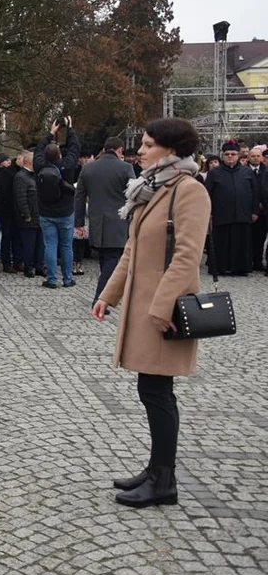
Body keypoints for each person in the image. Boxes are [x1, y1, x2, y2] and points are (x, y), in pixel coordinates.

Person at [93, 117, 208, 508]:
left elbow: (188, 257)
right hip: (146, 306)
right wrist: (108, 295)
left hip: (165, 308)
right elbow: (133, 250)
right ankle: (156, 468)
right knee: (152, 389)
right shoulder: (151, 189)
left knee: (158, 392)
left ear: (170, 150)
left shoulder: (189, 191)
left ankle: (164, 480)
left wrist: (161, 308)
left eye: (146, 145)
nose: (138, 151)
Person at [75, 136, 135, 303]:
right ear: (119, 150)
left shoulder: (87, 168)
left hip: (96, 221)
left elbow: (79, 197)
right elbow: (133, 196)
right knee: (111, 259)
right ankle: (101, 297)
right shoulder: (126, 168)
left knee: (105, 258)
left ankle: (105, 294)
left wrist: (78, 223)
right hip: (118, 221)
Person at [35, 119, 81, 289]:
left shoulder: (39, 165)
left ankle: (52, 279)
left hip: (46, 212)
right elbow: (75, 148)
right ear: (60, 155)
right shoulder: (67, 166)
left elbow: (39, 148)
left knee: (50, 246)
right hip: (66, 212)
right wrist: (70, 128)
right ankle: (68, 279)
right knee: (66, 246)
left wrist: (51, 132)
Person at [204, 139, 260, 276]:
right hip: (221, 214)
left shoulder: (247, 172)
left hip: (243, 214)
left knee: (242, 242)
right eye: (227, 154)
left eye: (233, 154)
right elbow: (206, 194)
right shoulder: (214, 173)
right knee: (221, 242)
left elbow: (255, 193)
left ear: (238, 156)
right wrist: (209, 212)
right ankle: (220, 267)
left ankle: (241, 268)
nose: (230, 156)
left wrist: (254, 212)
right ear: (223, 155)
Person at [14, 150, 44, 278]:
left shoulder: (35, 175)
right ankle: (28, 266)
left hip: (40, 215)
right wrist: (26, 214)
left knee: (40, 243)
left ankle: (39, 266)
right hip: (29, 216)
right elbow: (21, 198)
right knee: (29, 244)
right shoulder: (20, 177)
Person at [247, 147, 268, 271]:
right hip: (248, 209)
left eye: (258, 156)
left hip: (263, 210)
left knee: (261, 238)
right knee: (248, 237)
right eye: (253, 156)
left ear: (262, 158)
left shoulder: (265, 171)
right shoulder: (243, 171)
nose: (255, 158)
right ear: (249, 157)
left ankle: (258, 261)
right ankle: (247, 261)